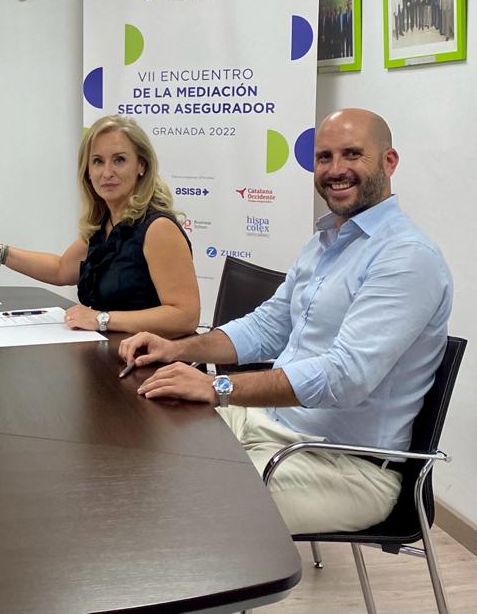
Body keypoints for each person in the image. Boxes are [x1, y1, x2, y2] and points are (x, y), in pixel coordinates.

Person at [119, 109, 451, 534]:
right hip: (273, 426)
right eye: (324, 157)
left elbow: (344, 377)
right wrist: (178, 348)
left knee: (186, 506)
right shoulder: (325, 242)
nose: (335, 169)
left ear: (389, 162)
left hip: (346, 466)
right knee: (144, 441)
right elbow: (266, 328)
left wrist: (218, 386)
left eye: (352, 154)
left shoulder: (407, 257)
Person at [0, 115, 199, 336]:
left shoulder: (158, 228)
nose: (107, 172)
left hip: (154, 358)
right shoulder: (105, 224)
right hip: (111, 351)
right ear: (87, 171)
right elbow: (60, 269)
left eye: (119, 160)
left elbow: (185, 316)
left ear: (142, 166)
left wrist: (101, 319)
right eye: (97, 161)